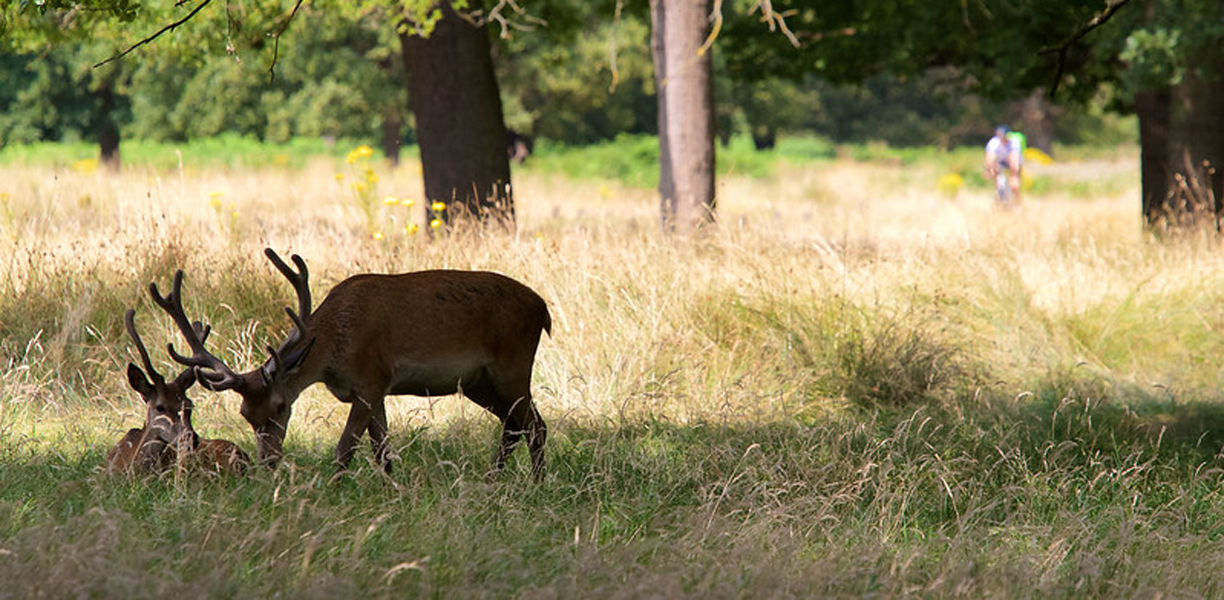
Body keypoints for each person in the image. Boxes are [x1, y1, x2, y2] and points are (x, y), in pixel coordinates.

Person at [984, 125, 1023, 207]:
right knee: (998, 180)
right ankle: (999, 198)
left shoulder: (1014, 143)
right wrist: (989, 170)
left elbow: (1014, 160)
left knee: (1014, 184)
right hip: (1001, 161)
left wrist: (1013, 174)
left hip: (1013, 160)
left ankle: (1017, 203)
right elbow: (990, 158)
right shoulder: (993, 142)